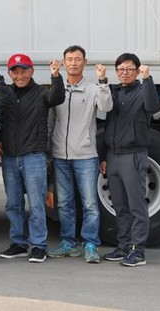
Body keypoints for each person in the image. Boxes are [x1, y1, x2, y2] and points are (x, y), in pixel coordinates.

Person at [0, 54, 64, 263]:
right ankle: (18, 243)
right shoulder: (8, 93)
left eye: (24, 71)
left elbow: (57, 98)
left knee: (37, 203)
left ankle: (38, 246)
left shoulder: (41, 93)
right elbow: (4, 118)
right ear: (10, 73)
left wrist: (56, 76)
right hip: (10, 156)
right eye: (15, 72)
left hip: (33, 155)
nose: (19, 75)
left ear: (31, 71)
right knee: (13, 203)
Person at [48, 45, 112, 264]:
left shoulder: (93, 89)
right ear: (63, 62)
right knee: (64, 203)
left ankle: (91, 244)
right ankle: (68, 243)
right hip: (60, 155)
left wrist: (103, 81)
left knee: (90, 203)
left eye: (77, 59)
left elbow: (106, 106)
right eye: (69, 59)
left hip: (86, 155)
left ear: (85, 62)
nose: (73, 63)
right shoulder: (57, 90)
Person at [98, 53, 160, 267]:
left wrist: (148, 79)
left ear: (137, 71)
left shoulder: (143, 91)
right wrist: (104, 156)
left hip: (133, 155)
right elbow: (107, 125)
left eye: (129, 69)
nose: (125, 73)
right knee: (120, 205)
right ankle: (124, 245)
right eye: (121, 69)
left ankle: (138, 250)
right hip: (113, 156)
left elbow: (152, 107)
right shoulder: (114, 92)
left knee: (136, 205)